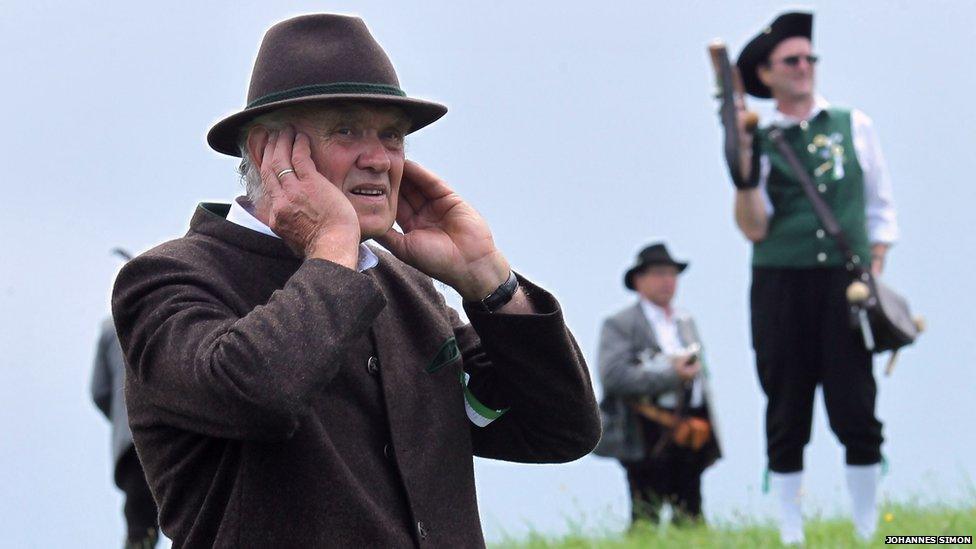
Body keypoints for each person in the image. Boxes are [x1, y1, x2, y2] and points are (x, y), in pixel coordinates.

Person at [111, 14, 600, 548]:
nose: (379, 159)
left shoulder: (407, 285)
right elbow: (259, 394)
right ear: (265, 153)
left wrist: (490, 283)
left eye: (391, 136)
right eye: (346, 130)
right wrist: (331, 247)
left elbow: (558, 430)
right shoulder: (166, 280)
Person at [731, 11, 898, 544]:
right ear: (767, 74)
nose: (804, 67)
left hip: (844, 286)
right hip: (780, 285)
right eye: (791, 60)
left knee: (856, 406)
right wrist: (740, 167)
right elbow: (753, 228)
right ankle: (790, 531)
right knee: (787, 405)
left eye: (809, 58)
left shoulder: (854, 124)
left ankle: (871, 530)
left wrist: (872, 276)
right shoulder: (758, 136)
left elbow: (880, 213)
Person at [594, 243, 721, 527]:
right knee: (646, 513)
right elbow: (614, 376)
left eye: (672, 274)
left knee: (690, 512)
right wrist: (672, 375)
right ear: (639, 280)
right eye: (660, 273)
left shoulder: (684, 321)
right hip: (644, 431)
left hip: (688, 428)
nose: (668, 281)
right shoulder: (620, 324)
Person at [91, 316, 160, 549]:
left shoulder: (110, 329)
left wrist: (121, 417)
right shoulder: (162, 309)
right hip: (169, 432)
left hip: (130, 441)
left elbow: (99, 391)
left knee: (140, 525)